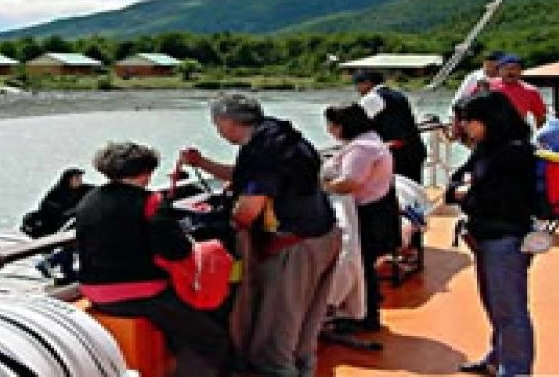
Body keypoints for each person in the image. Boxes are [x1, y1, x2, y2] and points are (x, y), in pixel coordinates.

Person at [180, 93, 340, 377]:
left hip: (294, 244)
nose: (218, 130)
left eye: (217, 124)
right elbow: (244, 176)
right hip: (323, 233)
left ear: (227, 122)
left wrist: (225, 222)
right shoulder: (281, 136)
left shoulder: (264, 151)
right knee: (306, 322)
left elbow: (249, 207)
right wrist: (202, 163)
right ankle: (304, 369)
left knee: (279, 327)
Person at [76, 142, 229, 377]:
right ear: (146, 171)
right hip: (140, 292)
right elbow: (175, 251)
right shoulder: (151, 201)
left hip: (93, 291)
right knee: (209, 338)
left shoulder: (88, 200)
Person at [446, 92, 539, 377]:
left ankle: (516, 370)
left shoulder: (514, 153)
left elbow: (489, 198)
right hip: (484, 236)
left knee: (510, 310)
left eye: (470, 122)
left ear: (488, 120)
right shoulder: (487, 149)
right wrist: (462, 191)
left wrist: (465, 193)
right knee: (495, 305)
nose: (466, 128)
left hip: (505, 238)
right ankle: (498, 358)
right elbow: (457, 183)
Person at [321, 104, 399, 333]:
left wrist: (321, 187)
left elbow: (349, 183)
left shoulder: (361, 149)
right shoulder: (372, 141)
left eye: (331, 125)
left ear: (341, 125)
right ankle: (364, 312)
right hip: (377, 209)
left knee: (361, 265)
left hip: (367, 214)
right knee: (365, 266)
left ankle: (365, 315)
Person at [353, 70, 428, 183]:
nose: (357, 90)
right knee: (413, 189)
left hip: (396, 153)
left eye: (357, 85)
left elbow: (355, 123)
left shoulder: (372, 98)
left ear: (367, 83)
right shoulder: (398, 95)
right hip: (413, 148)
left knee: (396, 192)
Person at [32, 168, 94, 285]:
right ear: (68, 180)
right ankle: (49, 264)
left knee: (74, 246)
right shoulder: (56, 193)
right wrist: (70, 212)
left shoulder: (85, 189)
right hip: (56, 228)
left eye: (80, 178)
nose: (79, 181)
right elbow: (48, 210)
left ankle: (66, 271)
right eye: (76, 179)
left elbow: (97, 193)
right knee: (73, 245)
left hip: (74, 226)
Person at [490, 54, 547, 128]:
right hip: (491, 131)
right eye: (506, 68)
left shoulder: (531, 91)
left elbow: (540, 117)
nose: (510, 72)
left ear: (521, 71)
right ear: (499, 71)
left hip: (517, 132)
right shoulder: (488, 86)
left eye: (514, 68)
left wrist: (540, 136)